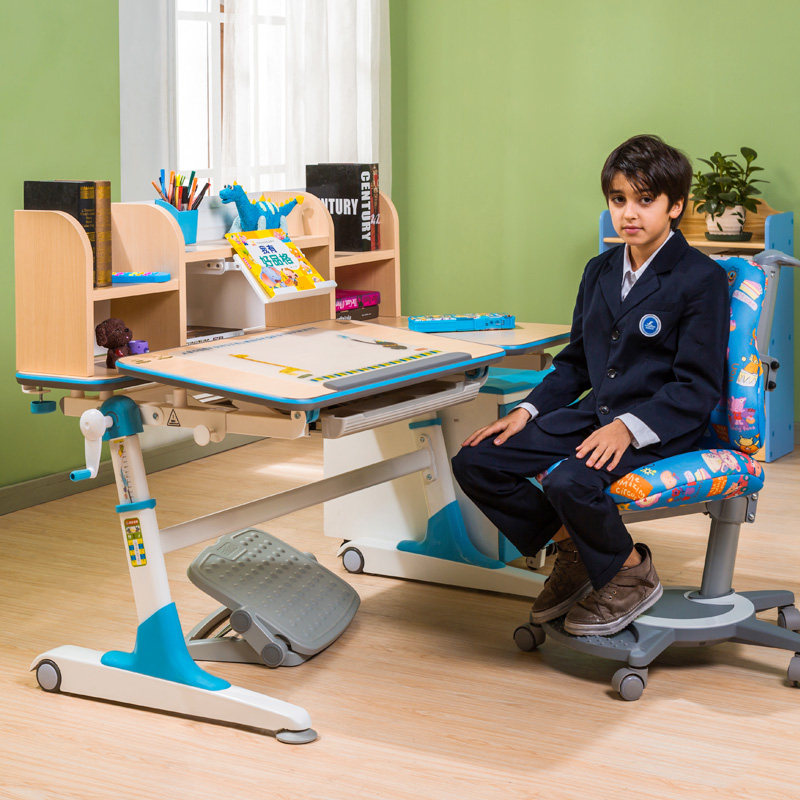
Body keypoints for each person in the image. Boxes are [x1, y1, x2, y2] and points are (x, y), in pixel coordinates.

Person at [451, 134, 730, 637]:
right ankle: (575, 550)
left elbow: (697, 386)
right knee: (478, 460)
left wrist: (627, 428)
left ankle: (630, 571)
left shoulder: (700, 278)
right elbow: (576, 363)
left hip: (659, 426)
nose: (630, 212)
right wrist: (528, 411)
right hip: (592, 414)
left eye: (645, 200)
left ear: (675, 206)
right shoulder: (598, 271)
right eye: (619, 199)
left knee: (568, 482)